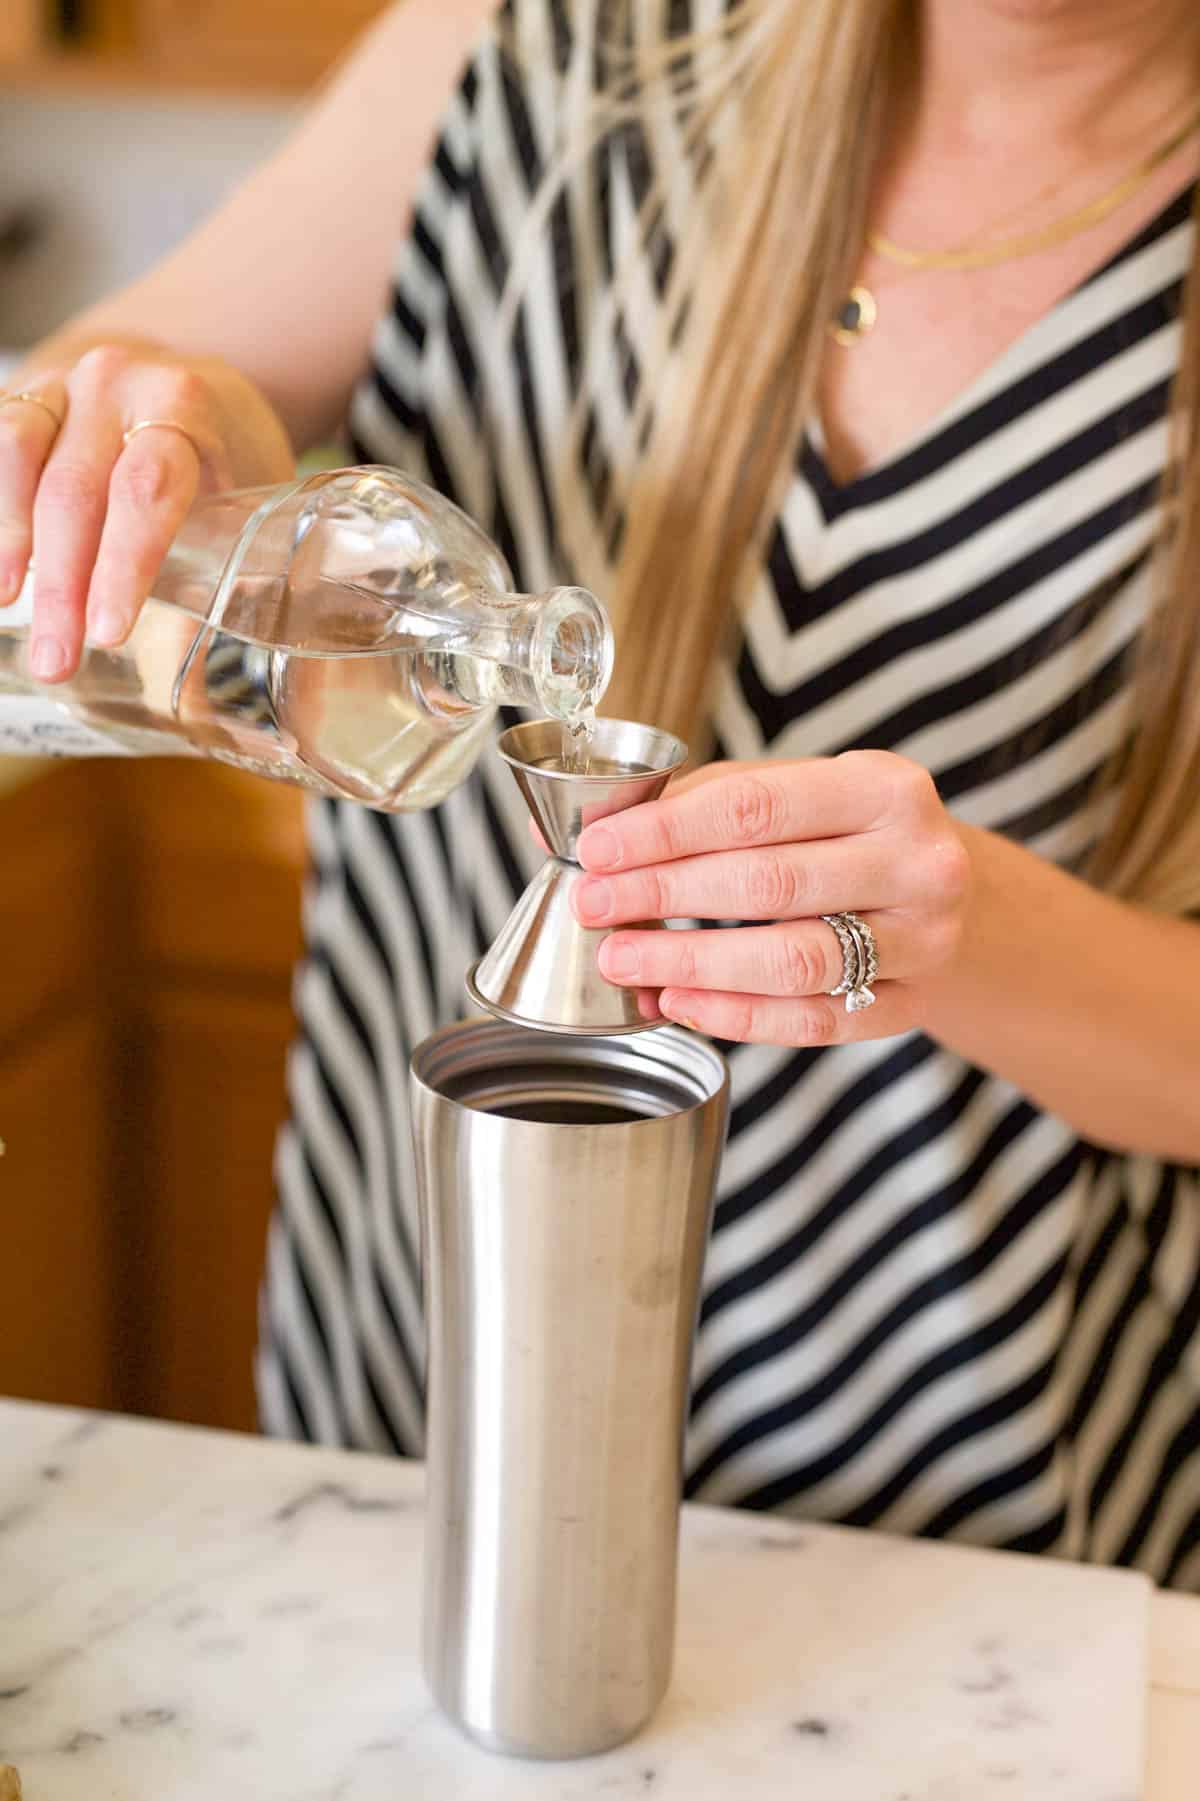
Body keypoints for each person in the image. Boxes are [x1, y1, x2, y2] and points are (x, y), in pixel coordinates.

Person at [4, 0, 1200, 1587]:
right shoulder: (557, 43)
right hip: (410, 1417)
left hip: (957, 1530)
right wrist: (165, 439)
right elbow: (153, 379)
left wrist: (965, 933)